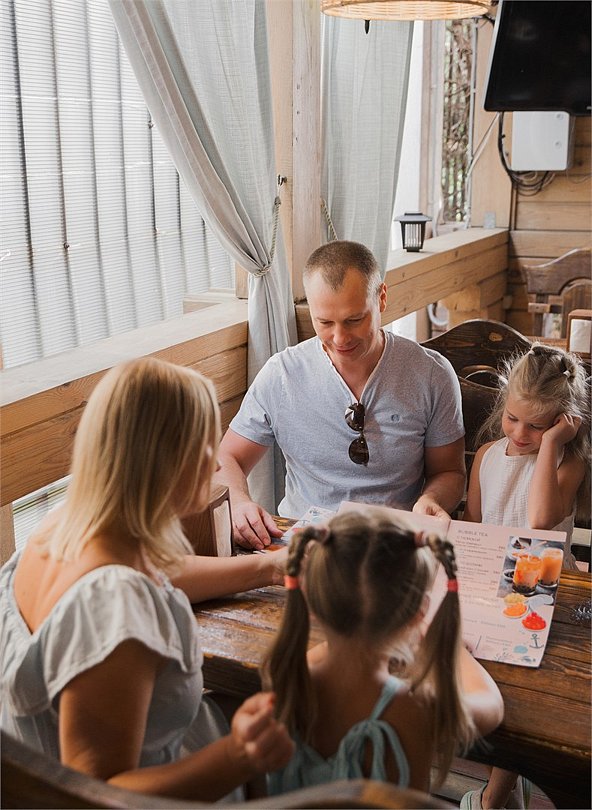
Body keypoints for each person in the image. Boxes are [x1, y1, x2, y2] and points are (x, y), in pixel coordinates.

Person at [0, 357, 294, 802]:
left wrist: (270, 567)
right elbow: (99, 793)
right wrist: (239, 756)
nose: (218, 466)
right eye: (205, 446)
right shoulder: (114, 605)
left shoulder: (63, 526)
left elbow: (160, 571)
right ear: (166, 460)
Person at [217, 240, 466, 550]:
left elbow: (449, 471)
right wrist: (239, 501)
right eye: (324, 322)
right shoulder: (281, 374)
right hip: (303, 544)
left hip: (395, 544)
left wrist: (432, 499)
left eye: (354, 320)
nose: (339, 338)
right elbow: (228, 457)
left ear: (381, 298)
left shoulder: (431, 373)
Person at [260, 509, 504, 795]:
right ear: (419, 614)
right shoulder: (415, 708)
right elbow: (491, 707)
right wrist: (457, 653)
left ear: (310, 602)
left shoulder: (286, 679)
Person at [460, 343, 590, 810]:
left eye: (536, 426)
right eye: (513, 418)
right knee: (482, 673)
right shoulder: (487, 455)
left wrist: (552, 445)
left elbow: (539, 522)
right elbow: (475, 526)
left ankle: (494, 797)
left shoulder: (567, 463)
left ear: (562, 422)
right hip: (494, 586)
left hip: (548, 588)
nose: (519, 433)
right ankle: (506, 786)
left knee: (519, 687)